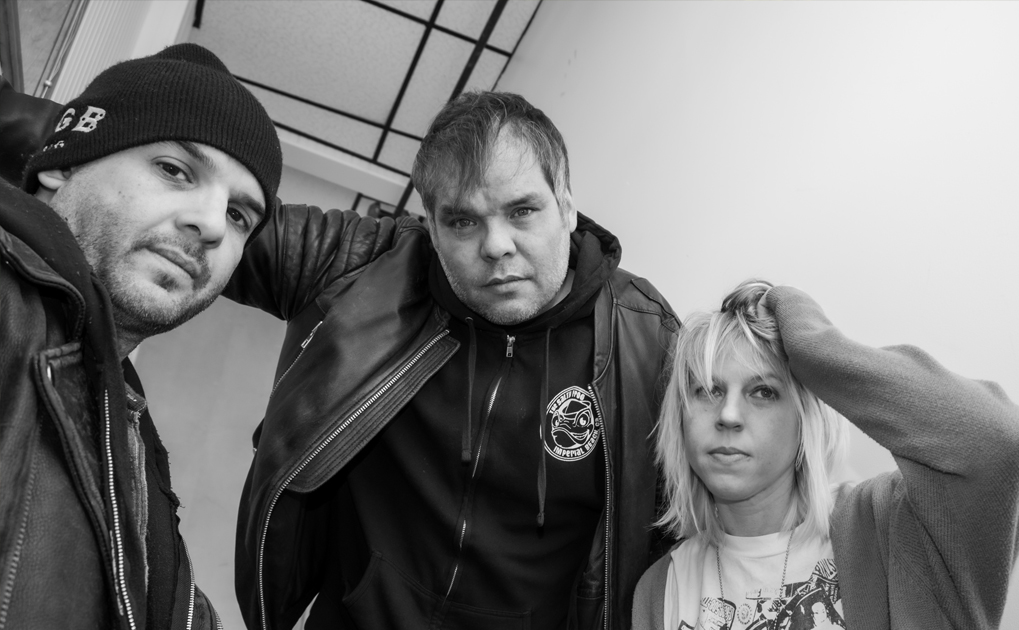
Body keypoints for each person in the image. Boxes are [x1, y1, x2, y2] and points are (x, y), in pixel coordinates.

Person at [224, 91, 679, 630]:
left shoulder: (645, 338)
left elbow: (706, 511)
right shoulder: (366, 269)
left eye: (522, 211)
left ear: (567, 205)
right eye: (463, 222)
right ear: (433, 230)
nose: (497, 245)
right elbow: (214, 228)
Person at [0, 43, 282, 630]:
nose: (209, 223)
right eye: (174, 170)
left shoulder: (126, 429)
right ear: (63, 163)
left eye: (238, 216)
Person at [632, 280, 1019, 630]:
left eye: (763, 392)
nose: (728, 415)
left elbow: (1010, 446)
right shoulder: (661, 589)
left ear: (805, 419)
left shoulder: (892, 528)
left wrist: (817, 348)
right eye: (707, 390)